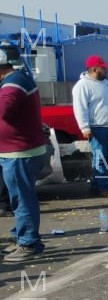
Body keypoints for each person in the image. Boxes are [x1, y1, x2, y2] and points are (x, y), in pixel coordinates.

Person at [0, 44, 47, 263]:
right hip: (18, 151)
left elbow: (4, 112)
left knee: (22, 199)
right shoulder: (15, 81)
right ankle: (22, 237)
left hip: (20, 152)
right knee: (20, 198)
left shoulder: (13, 84)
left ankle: (28, 243)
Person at [72, 55, 108, 198]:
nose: (106, 70)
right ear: (94, 69)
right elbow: (80, 108)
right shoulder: (82, 86)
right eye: (103, 68)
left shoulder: (107, 84)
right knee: (100, 159)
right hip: (97, 128)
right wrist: (84, 127)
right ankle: (104, 188)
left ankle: (95, 186)